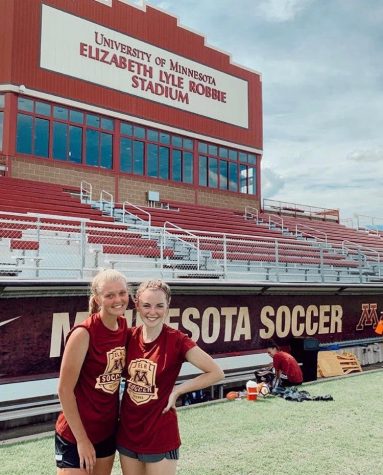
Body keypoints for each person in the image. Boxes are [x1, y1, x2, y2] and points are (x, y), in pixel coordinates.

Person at [117, 279, 224, 475]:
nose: (152, 312)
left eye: (159, 306)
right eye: (147, 305)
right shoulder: (128, 337)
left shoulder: (177, 340)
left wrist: (178, 390)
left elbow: (216, 372)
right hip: (127, 433)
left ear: (168, 306)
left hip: (160, 433)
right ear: (137, 304)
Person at [55, 269, 130, 475]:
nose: (118, 299)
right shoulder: (83, 333)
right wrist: (82, 440)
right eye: (110, 295)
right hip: (75, 434)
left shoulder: (124, 327)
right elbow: (64, 390)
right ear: (97, 299)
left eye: (122, 293)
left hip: (106, 432)